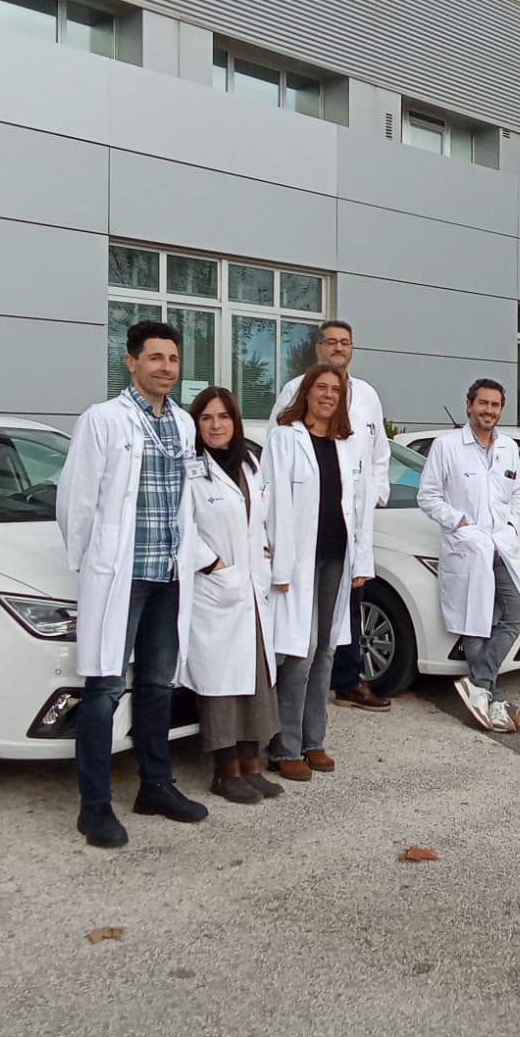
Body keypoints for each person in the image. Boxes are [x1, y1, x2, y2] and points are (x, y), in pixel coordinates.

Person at [56, 320, 213, 848]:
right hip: (122, 575)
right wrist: (91, 562)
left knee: (157, 684)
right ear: (131, 362)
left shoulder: (184, 424)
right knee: (104, 688)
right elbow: (76, 500)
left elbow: (190, 497)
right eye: (155, 358)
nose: (166, 368)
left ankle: (156, 785)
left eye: (173, 359)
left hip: (169, 574)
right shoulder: (103, 420)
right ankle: (95, 806)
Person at [269, 320, 392, 713]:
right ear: (318, 348)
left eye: (345, 342)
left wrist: (375, 495)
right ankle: (288, 714)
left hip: (348, 526)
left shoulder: (367, 395)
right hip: (307, 531)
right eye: (331, 342)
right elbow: (277, 463)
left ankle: (348, 681)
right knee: (303, 635)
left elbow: (379, 453)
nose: (339, 347)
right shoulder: (294, 390)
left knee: (345, 613)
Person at [260, 364, 373, 781]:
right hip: (297, 561)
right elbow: (272, 503)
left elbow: (360, 506)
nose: (328, 395)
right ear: (305, 392)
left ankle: (314, 741)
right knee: (299, 651)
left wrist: (363, 561)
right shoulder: (284, 438)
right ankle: (285, 746)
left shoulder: (348, 443)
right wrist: (279, 564)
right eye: (321, 387)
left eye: (335, 390)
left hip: (337, 559)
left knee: (326, 648)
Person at [416, 378, 520, 733]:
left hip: (501, 545)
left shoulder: (508, 447)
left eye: (495, 405)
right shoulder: (447, 446)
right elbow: (428, 496)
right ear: (469, 405)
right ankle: (492, 697)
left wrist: (513, 526)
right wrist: (459, 523)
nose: (489, 410)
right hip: (468, 546)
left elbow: (517, 493)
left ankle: (479, 684)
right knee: (476, 621)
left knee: (519, 611)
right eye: (483, 403)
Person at [181, 386, 283, 805]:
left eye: (223, 417)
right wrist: (213, 565)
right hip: (216, 590)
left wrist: (265, 556)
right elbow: (181, 526)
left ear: (235, 422)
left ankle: (251, 764)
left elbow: (261, 518)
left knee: (255, 680)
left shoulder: (249, 463)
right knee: (221, 685)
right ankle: (225, 772)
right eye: (206, 418)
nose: (216, 425)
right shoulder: (189, 468)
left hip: (251, 589)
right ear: (195, 423)